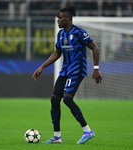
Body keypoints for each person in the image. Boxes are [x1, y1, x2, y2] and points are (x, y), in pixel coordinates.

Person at [32, 6, 102, 144]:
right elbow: (57, 53)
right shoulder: (61, 34)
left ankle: (87, 130)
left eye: (60, 18)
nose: (58, 20)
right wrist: (42, 67)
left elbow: (94, 47)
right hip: (65, 70)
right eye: (58, 18)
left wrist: (96, 68)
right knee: (54, 99)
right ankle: (57, 137)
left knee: (67, 99)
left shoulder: (79, 33)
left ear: (68, 19)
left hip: (77, 69)